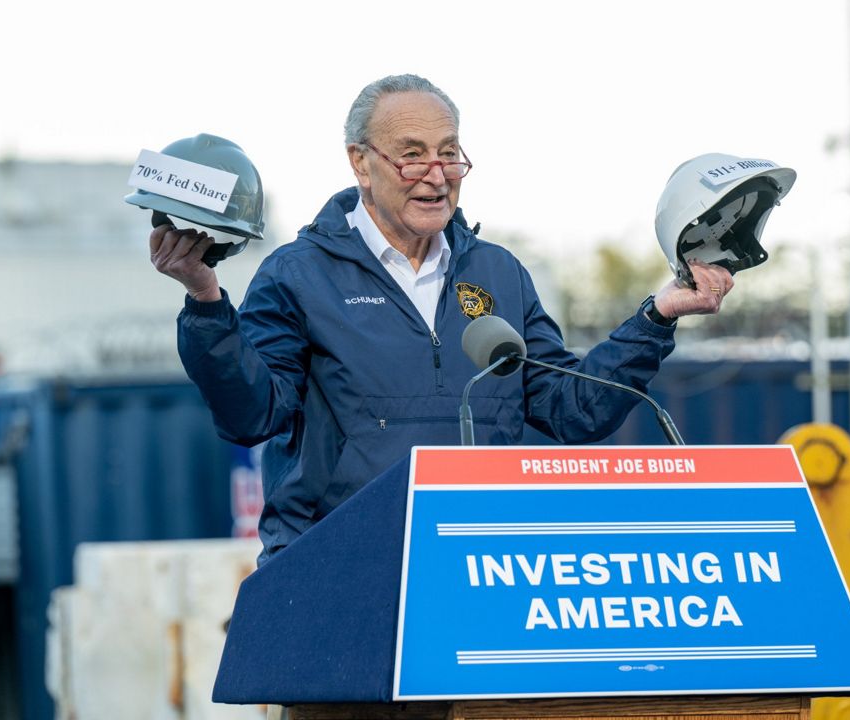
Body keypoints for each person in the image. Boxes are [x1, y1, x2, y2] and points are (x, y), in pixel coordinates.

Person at [150, 74, 733, 564]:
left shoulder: (499, 275)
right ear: (361, 162)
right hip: (336, 572)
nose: (436, 173)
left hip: (482, 565)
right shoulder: (296, 275)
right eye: (411, 155)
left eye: (449, 153)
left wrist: (657, 316)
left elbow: (574, 410)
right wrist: (205, 301)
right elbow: (253, 413)